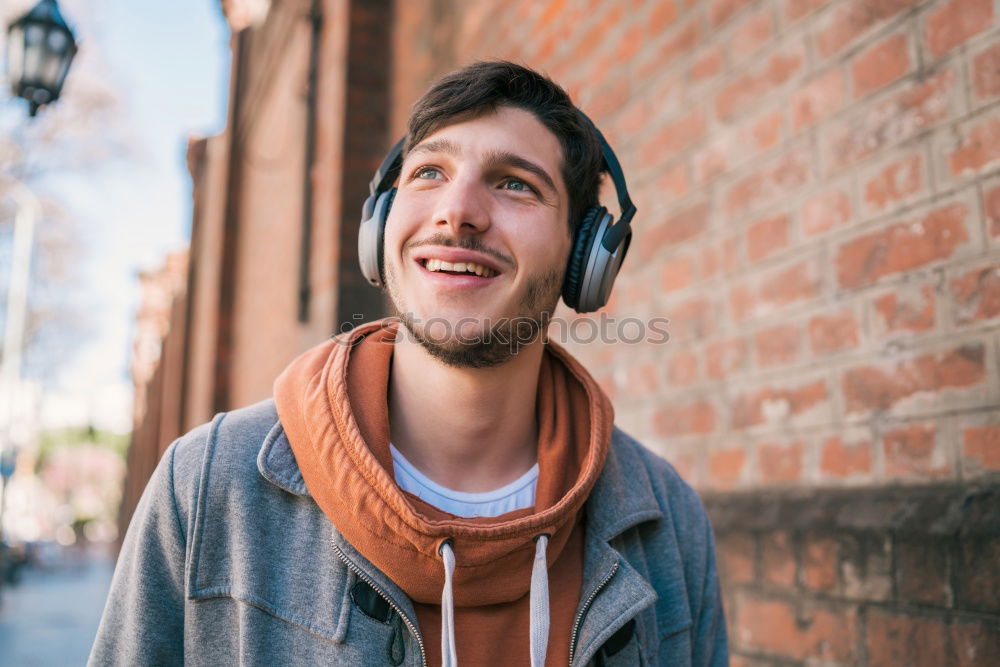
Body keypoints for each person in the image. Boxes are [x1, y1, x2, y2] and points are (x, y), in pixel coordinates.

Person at [89, 61, 728, 666]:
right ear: (381, 226)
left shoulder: (667, 520)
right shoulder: (206, 487)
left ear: (585, 258)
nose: (458, 211)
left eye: (515, 184)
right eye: (428, 173)